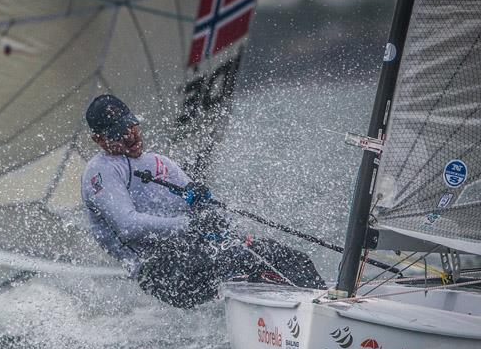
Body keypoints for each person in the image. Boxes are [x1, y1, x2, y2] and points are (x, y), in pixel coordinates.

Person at [80, 94, 326, 308]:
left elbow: (209, 213)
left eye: (128, 126)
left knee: (291, 259)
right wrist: (190, 224)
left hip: (195, 253)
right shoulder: (100, 171)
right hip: (160, 271)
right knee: (241, 259)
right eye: (116, 134)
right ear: (98, 140)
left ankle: (327, 305)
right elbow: (128, 225)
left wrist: (209, 211)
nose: (127, 136)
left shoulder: (160, 163)